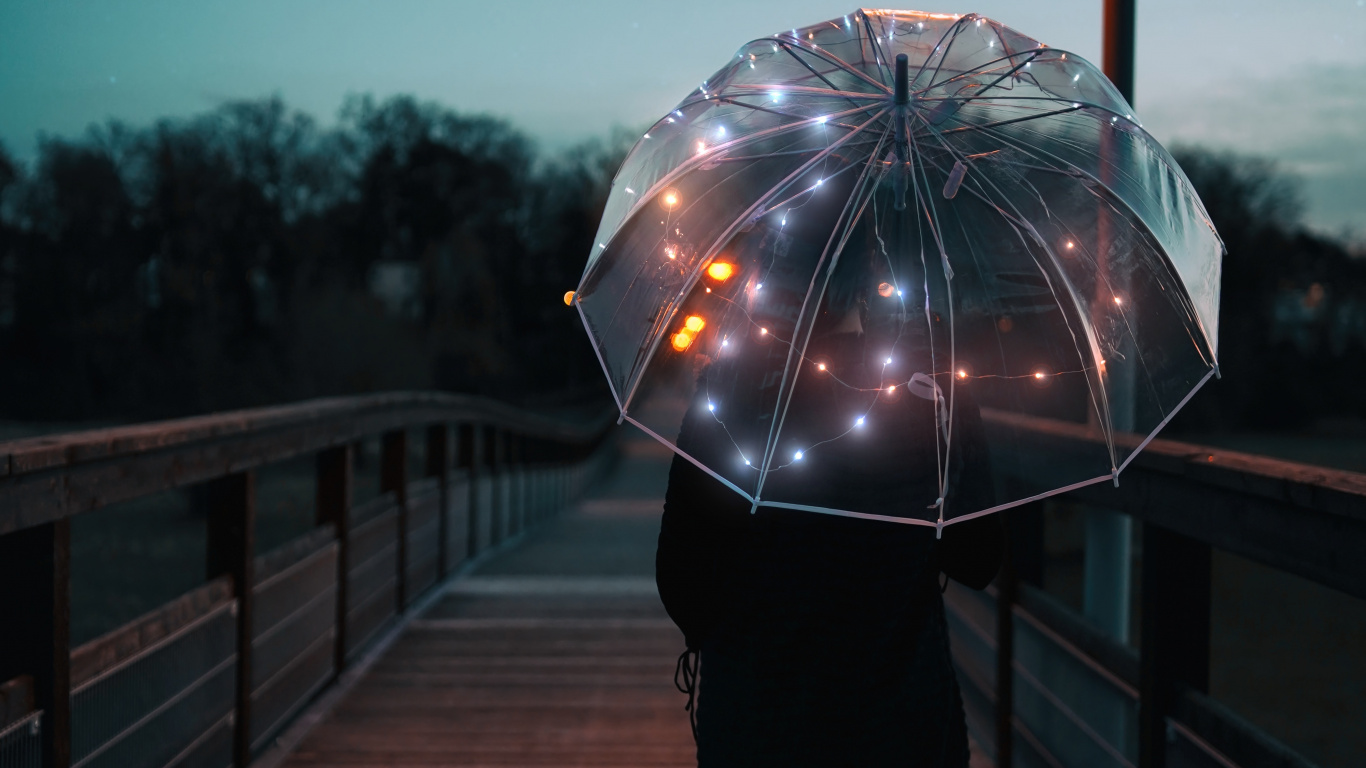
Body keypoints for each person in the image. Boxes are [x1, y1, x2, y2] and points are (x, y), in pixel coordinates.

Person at [656, 266, 1004, 767]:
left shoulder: (728, 391)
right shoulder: (933, 391)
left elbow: (681, 582)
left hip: (756, 726)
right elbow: (977, 559)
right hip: (899, 729)